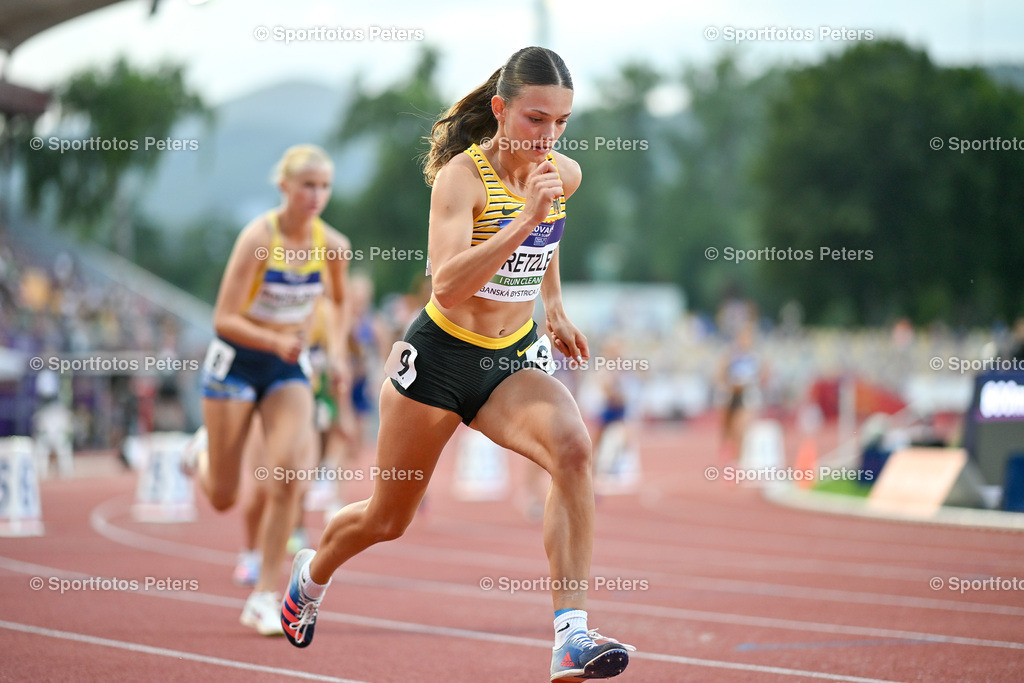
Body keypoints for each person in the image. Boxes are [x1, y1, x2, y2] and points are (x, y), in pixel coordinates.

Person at [280, 47, 633, 682]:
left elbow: (551, 236)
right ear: (500, 110)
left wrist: (553, 305)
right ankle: (311, 573)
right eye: (534, 120)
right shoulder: (462, 181)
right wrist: (522, 219)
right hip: (439, 360)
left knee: (574, 450)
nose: (548, 138)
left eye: (561, 123)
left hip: (511, 360)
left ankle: (569, 635)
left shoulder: (563, 174)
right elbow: (446, 285)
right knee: (388, 519)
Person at [188, 144, 351, 636]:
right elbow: (224, 318)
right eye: (307, 185)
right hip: (237, 363)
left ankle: (264, 596)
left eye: (324, 186)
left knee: (288, 477)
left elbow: (339, 305)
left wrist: (337, 354)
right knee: (222, 494)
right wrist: (274, 338)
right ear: (284, 186)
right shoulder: (259, 238)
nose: (316, 195)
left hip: (287, 369)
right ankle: (200, 452)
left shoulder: (333, 246)